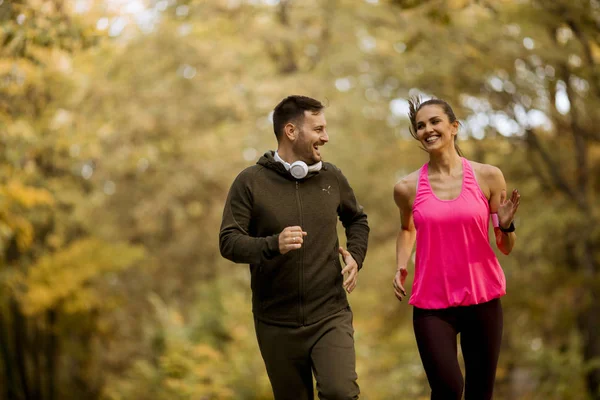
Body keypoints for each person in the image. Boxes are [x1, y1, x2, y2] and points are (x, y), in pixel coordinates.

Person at [219, 95, 369, 400]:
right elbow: (229, 241)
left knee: (341, 393)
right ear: (291, 131)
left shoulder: (331, 177)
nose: (325, 137)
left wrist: (356, 254)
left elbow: (357, 220)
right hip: (275, 322)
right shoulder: (250, 182)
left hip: (329, 314)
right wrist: (274, 244)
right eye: (318, 130)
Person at [392, 97, 520, 400]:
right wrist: (401, 265)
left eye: (435, 121)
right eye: (420, 126)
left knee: (479, 392)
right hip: (431, 305)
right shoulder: (406, 188)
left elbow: (505, 247)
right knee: (448, 388)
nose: (427, 130)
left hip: (482, 300)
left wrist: (506, 225)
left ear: (454, 127)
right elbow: (406, 228)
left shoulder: (488, 176)